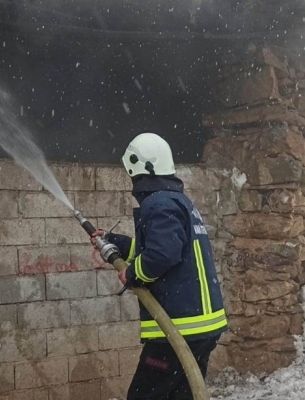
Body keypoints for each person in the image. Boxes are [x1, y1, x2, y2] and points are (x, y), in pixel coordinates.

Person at [91, 132, 228, 399]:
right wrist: (116, 242)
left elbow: (163, 254)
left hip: (180, 328)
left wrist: (132, 274)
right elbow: (165, 249)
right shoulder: (178, 202)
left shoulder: (159, 204)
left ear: (138, 169)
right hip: (201, 329)